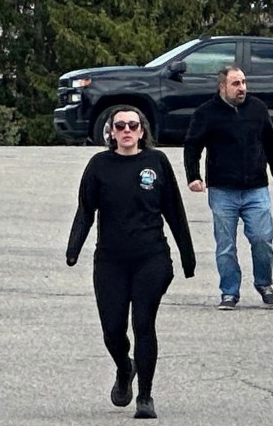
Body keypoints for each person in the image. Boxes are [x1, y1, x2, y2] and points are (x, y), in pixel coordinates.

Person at [66, 105, 196, 420]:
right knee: (113, 330)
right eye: (120, 125)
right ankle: (125, 369)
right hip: (110, 261)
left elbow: (174, 211)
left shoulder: (156, 162)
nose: (126, 130)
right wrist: (74, 248)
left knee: (143, 323)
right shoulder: (99, 165)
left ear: (141, 131)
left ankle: (145, 396)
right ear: (111, 132)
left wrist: (187, 256)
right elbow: (85, 211)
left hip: (151, 258)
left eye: (133, 125)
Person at [184, 65, 273, 311]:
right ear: (222, 87)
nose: (242, 88)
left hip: (255, 188)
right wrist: (193, 176)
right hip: (222, 190)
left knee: (262, 239)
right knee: (226, 246)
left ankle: (264, 283)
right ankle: (229, 292)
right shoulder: (206, 113)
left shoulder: (257, 108)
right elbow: (192, 146)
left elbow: (271, 143)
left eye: (243, 82)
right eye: (236, 83)